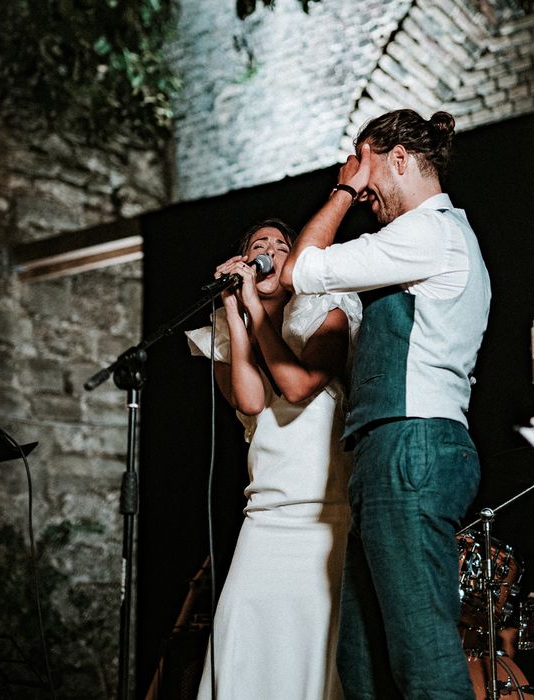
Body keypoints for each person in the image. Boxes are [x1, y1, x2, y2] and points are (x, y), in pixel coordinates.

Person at [280, 110, 491, 699]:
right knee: (365, 664)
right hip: (392, 451)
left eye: (366, 161)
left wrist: (343, 190)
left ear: (399, 158)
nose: (362, 181)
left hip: (412, 448)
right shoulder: (425, 239)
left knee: (425, 662)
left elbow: (302, 268)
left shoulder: (430, 231)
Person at [186, 219, 362, 700]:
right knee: (242, 647)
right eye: (257, 246)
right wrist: (233, 310)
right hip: (263, 521)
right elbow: (251, 401)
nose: (268, 251)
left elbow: (299, 385)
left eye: (281, 247)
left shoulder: (330, 310)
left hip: (324, 521)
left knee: (313, 659)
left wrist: (255, 316)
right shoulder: (230, 330)